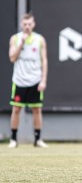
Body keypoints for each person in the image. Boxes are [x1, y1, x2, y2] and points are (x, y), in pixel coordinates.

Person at [8, 13, 48, 148]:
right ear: (21, 25)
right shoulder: (15, 38)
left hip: (35, 79)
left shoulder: (40, 40)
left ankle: (37, 139)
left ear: (34, 24)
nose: (27, 27)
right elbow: (12, 58)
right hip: (19, 80)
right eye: (25, 24)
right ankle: (13, 139)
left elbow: (44, 61)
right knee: (16, 109)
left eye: (29, 24)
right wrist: (21, 43)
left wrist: (43, 80)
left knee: (37, 110)